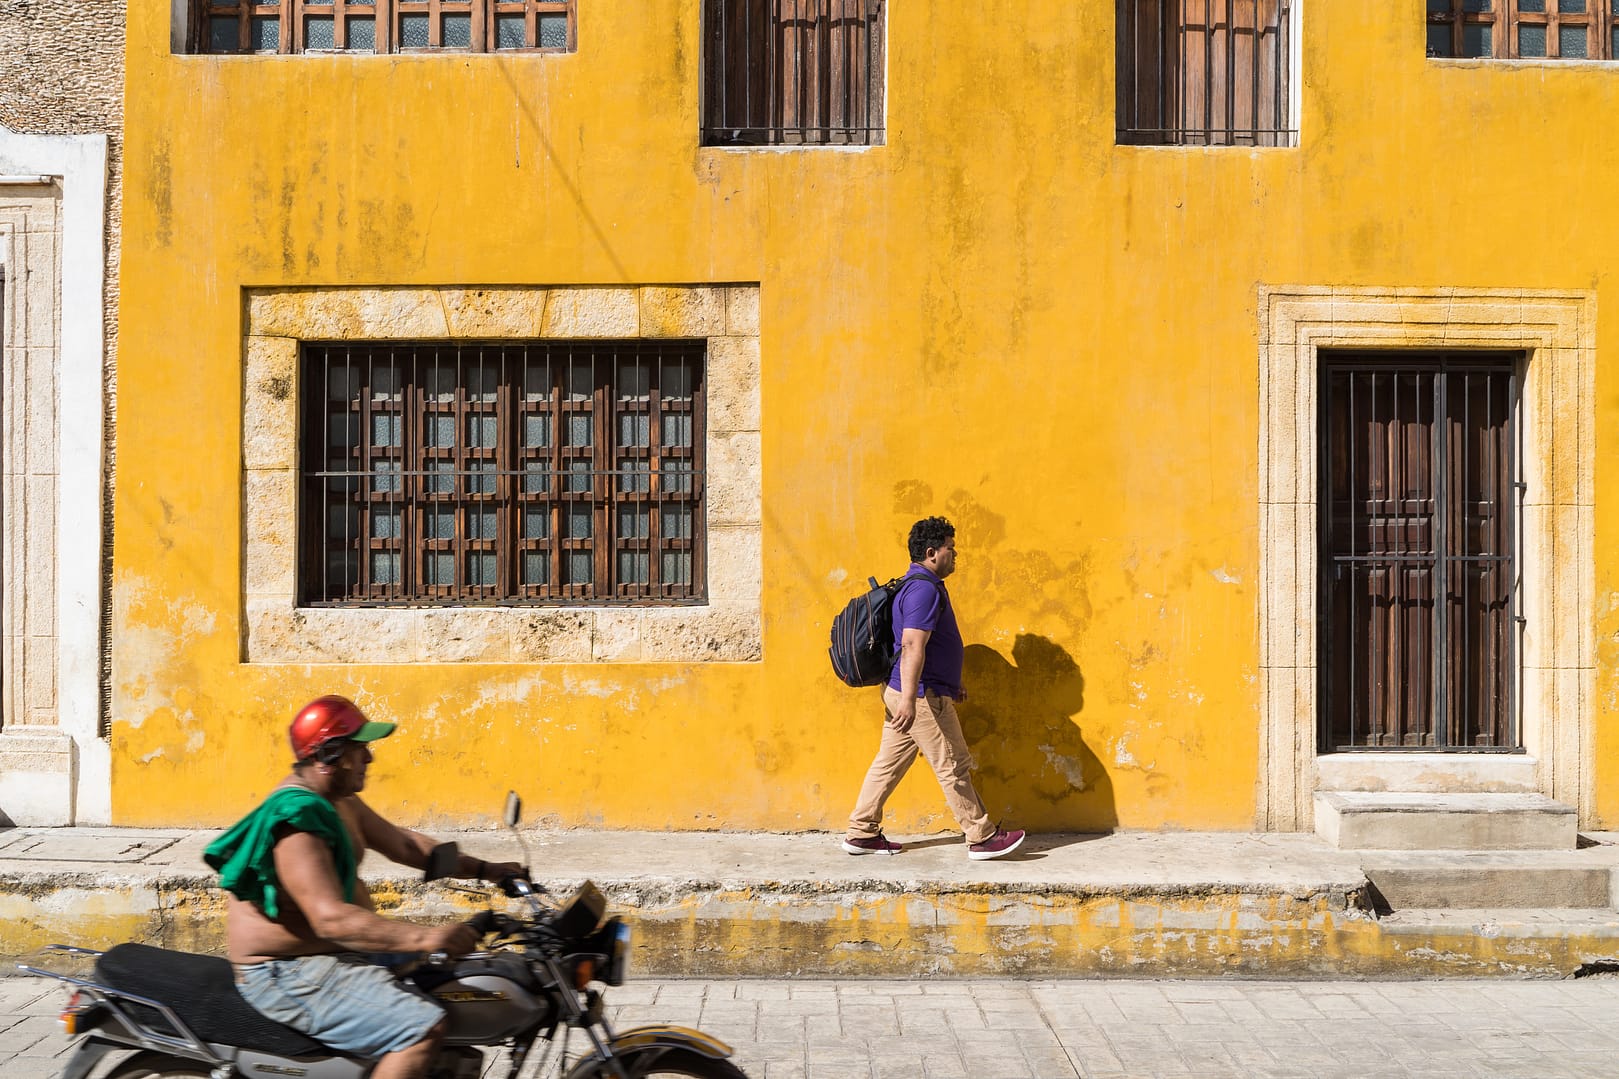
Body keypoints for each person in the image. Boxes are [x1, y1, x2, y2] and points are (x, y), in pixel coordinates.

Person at [204, 695, 523, 1079]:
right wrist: (428, 937)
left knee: (452, 983)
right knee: (422, 1028)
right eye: (360, 748)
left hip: (330, 954)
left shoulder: (340, 801)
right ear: (330, 754)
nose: (369, 758)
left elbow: (406, 846)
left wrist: (489, 870)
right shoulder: (297, 820)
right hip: (285, 971)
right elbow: (330, 920)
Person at [842, 516, 1026, 861]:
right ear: (931, 553)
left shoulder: (917, 586)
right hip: (919, 696)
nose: (955, 555)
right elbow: (912, 644)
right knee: (952, 763)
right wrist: (912, 699)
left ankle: (861, 832)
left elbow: (931, 645)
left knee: (888, 764)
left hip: (914, 691)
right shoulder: (923, 590)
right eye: (950, 549)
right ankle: (981, 836)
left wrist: (949, 683)